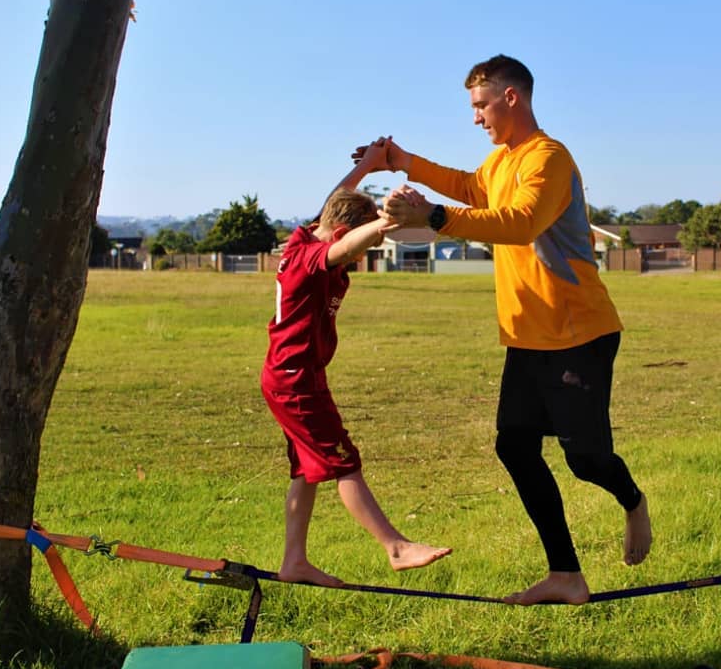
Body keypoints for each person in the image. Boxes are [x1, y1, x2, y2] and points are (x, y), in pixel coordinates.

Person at [355, 55, 651, 605]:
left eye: (480, 105)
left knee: (585, 460)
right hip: (526, 337)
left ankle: (632, 500)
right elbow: (468, 186)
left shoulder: (549, 158)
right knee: (514, 447)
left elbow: (520, 224)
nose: (476, 118)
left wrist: (434, 218)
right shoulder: (498, 163)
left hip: (577, 332)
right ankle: (566, 575)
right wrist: (399, 161)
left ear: (511, 98)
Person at [261, 139, 451, 587]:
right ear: (348, 236)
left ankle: (294, 562)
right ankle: (396, 547)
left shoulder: (305, 236)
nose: (363, 257)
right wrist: (390, 219)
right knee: (343, 462)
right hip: (295, 380)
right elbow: (343, 248)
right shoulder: (313, 258)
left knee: (306, 470)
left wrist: (366, 166)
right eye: (365, 246)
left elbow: (335, 202)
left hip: (293, 375)